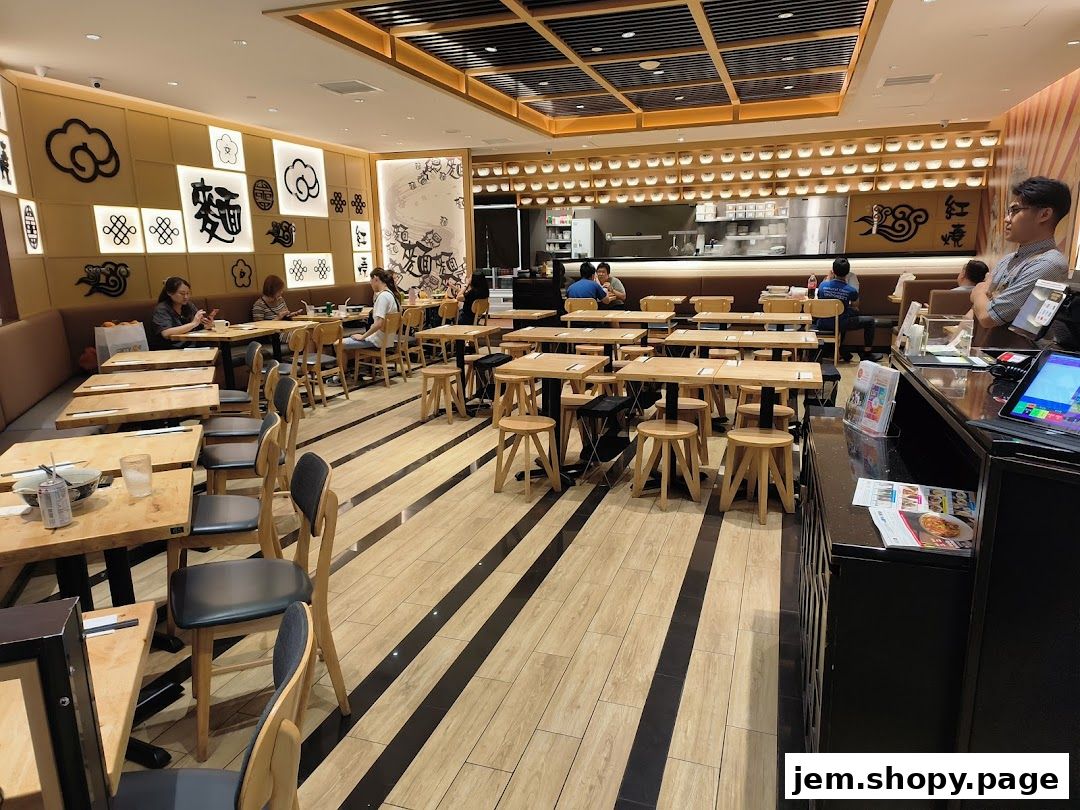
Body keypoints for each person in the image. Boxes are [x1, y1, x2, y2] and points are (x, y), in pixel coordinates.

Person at [967, 176, 1072, 346]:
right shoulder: (1008, 259)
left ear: (1044, 214)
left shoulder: (1049, 264)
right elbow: (976, 311)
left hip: (1012, 361)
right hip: (985, 352)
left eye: (1015, 211)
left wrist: (979, 290)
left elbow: (988, 317)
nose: (1007, 219)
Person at [815, 259, 883, 362]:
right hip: (841, 323)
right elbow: (856, 305)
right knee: (869, 321)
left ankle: (839, 350)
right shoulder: (851, 290)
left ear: (833, 270)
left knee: (846, 314)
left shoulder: (823, 285)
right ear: (848, 273)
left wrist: (828, 279)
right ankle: (867, 353)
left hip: (822, 323)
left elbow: (820, 297)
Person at [150, 276, 214, 350]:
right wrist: (193, 324)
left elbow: (196, 326)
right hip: (170, 348)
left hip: (190, 345)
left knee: (212, 348)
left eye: (188, 293)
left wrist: (206, 325)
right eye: (182, 293)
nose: (186, 297)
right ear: (169, 293)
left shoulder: (188, 305)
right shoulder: (162, 309)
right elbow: (166, 333)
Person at [345, 267, 401, 350]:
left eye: (370, 281)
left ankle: (342, 363)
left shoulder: (383, 297)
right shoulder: (391, 294)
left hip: (377, 340)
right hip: (389, 339)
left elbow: (378, 324)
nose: (370, 283)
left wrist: (363, 336)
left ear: (375, 278)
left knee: (338, 343)